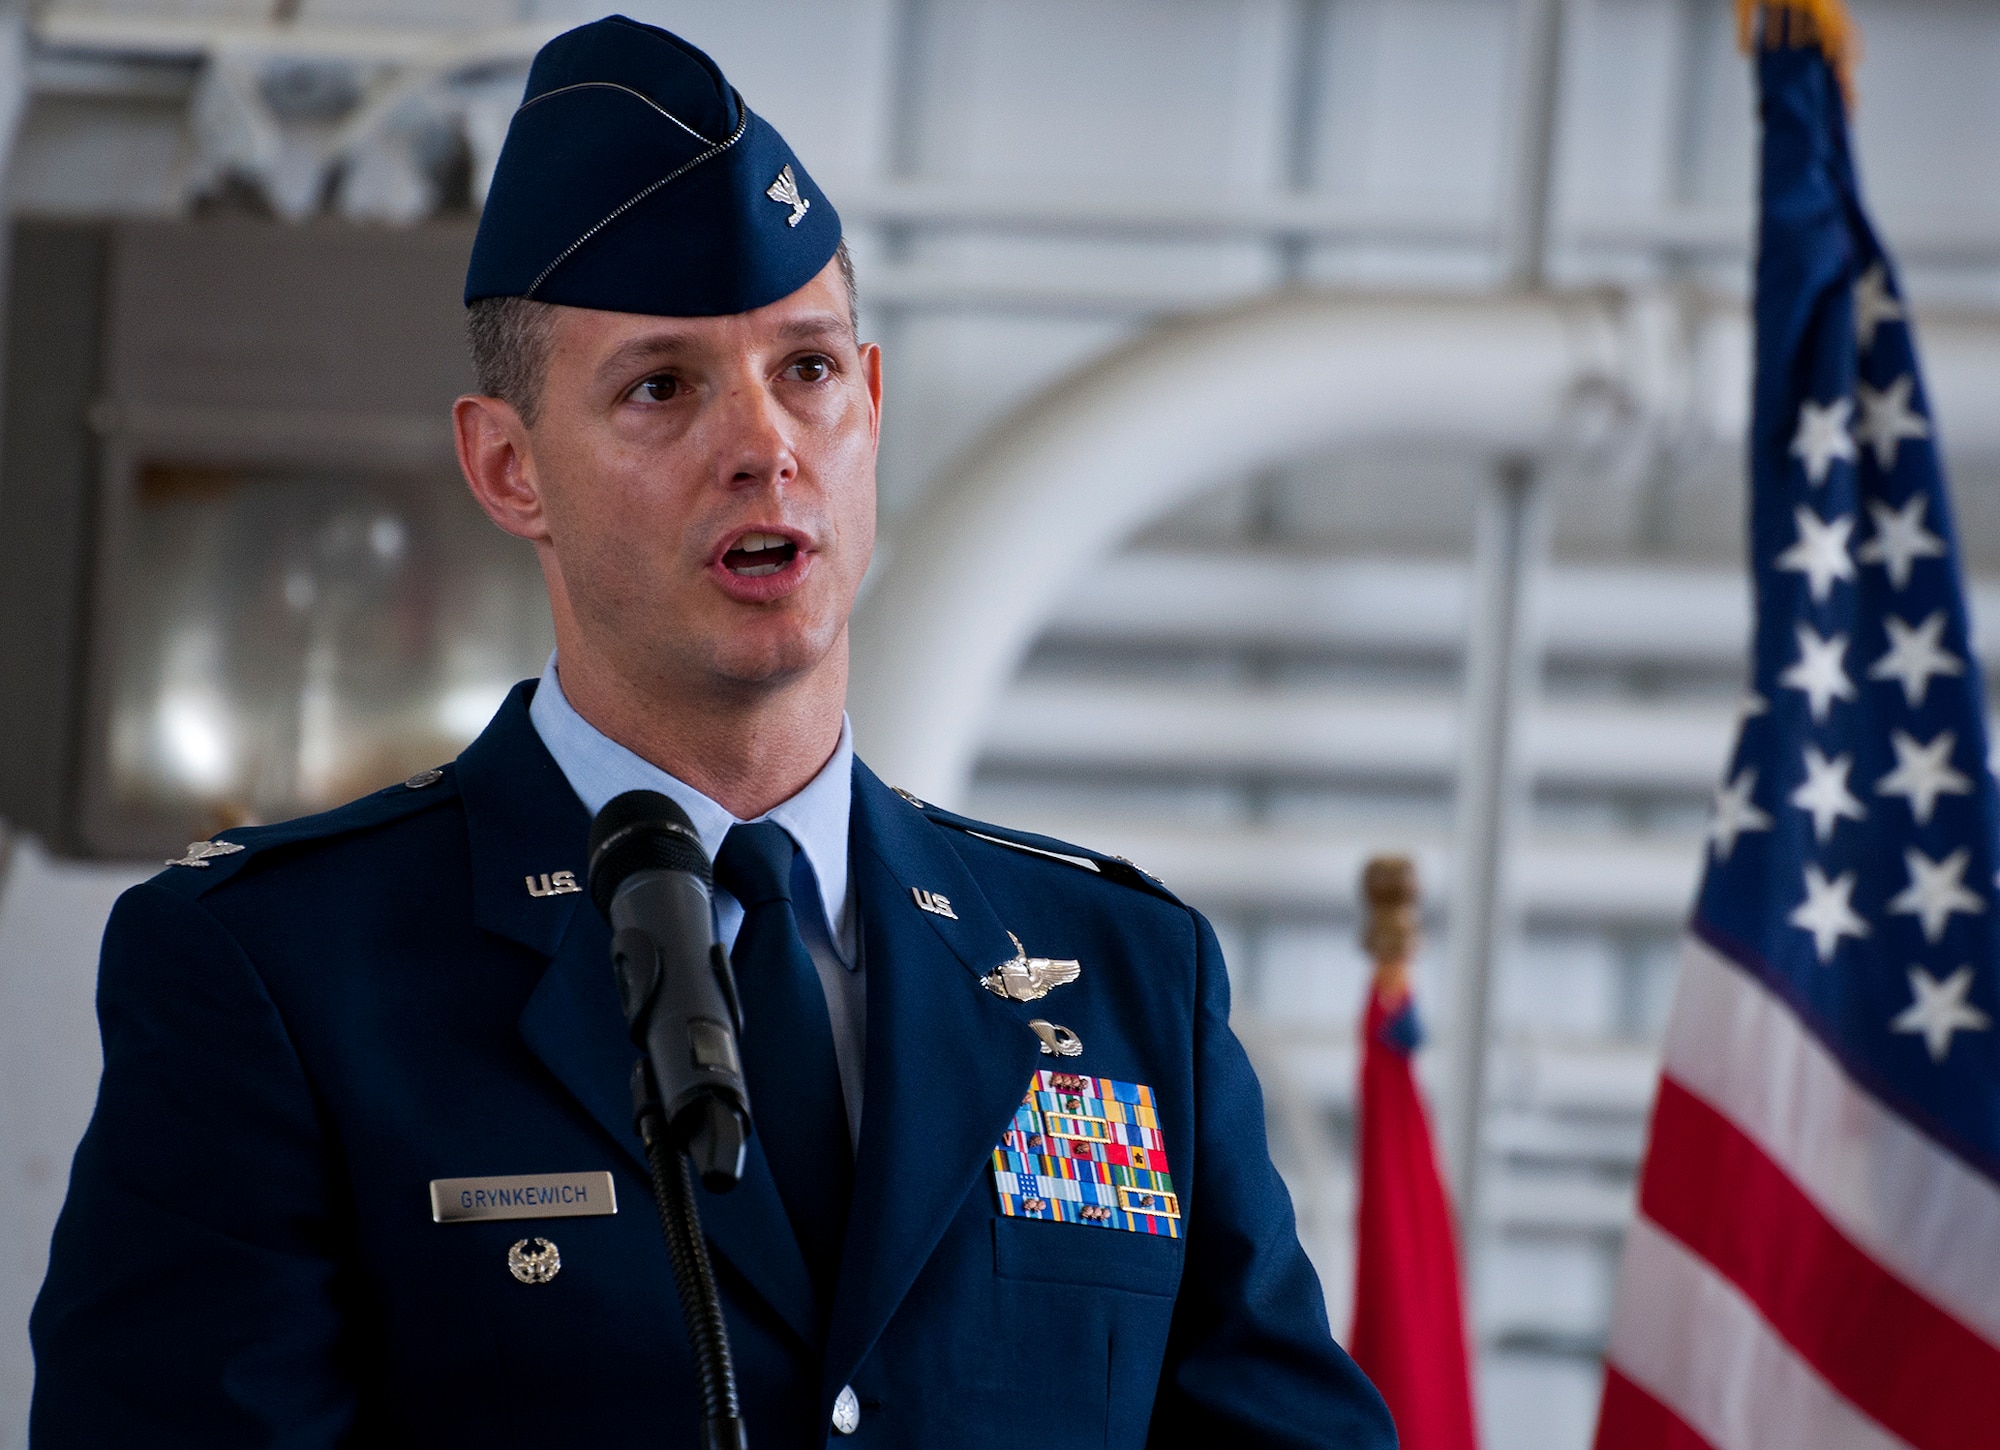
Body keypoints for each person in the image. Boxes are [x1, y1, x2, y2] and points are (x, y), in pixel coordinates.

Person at [29, 16, 1395, 1448]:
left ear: (870, 405)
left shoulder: (1128, 983)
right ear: (509, 467)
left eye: (805, 370)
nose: (765, 445)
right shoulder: (286, 982)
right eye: (662, 387)